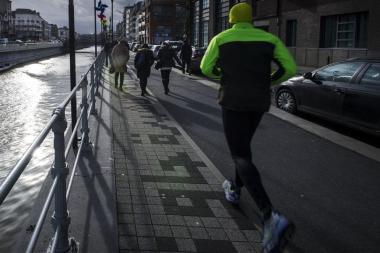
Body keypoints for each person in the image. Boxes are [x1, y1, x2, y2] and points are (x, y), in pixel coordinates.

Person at [200, 3, 297, 253]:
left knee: (240, 154)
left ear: (231, 19)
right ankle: (234, 188)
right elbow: (290, 69)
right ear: (251, 19)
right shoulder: (269, 38)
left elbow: (205, 68)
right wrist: (269, 80)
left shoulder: (221, 38)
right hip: (258, 102)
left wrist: (224, 77)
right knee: (244, 148)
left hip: (232, 100)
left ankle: (270, 215)